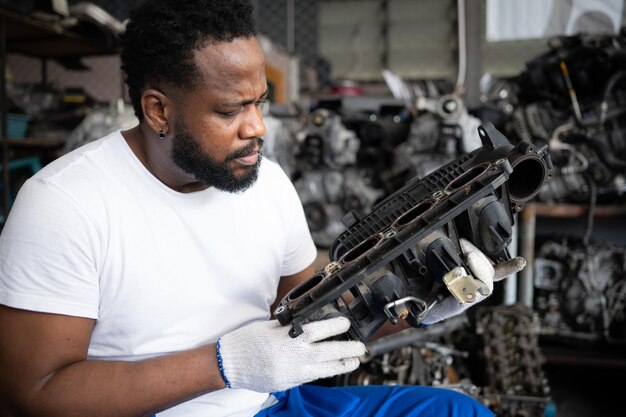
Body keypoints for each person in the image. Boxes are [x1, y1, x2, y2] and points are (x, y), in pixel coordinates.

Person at [0, 1, 524, 416]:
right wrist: (223, 365)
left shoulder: (266, 182)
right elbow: (38, 393)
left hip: (272, 405)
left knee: (451, 411)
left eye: (259, 103)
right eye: (230, 110)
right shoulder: (65, 204)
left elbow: (317, 320)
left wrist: (420, 303)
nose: (256, 128)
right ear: (158, 109)